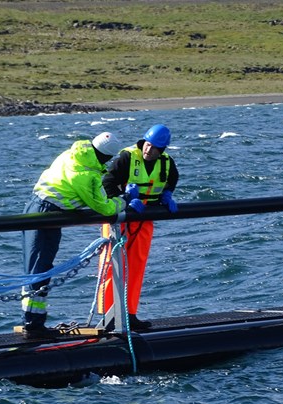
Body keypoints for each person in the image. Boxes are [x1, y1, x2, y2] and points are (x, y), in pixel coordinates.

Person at [21, 132, 127, 339]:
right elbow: (104, 208)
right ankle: (33, 326)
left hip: (36, 206)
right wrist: (123, 201)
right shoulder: (87, 175)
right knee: (39, 270)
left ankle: (31, 321)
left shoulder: (71, 154)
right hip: (47, 214)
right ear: (107, 157)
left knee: (34, 267)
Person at [99, 124, 179, 330]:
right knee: (112, 265)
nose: (148, 150)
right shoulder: (126, 158)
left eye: (154, 148)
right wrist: (123, 198)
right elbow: (106, 183)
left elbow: (171, 180)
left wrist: (167, 195)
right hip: (121, 219)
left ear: (162, 150)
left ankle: (129, 313)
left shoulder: (167, 163)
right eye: (147, 145)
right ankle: (107, 316)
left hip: (144, 218)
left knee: (136, 266)